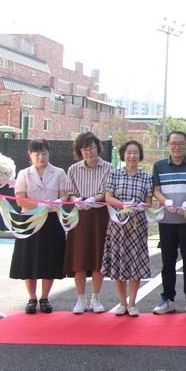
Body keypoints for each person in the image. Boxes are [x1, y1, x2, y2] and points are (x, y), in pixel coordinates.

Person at [9, 139, 67, 314]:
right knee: (29, 259)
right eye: (37, 154)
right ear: (30, 155)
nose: (41, 157)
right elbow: (20, 200)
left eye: (44, 153)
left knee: (49, 258)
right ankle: (32, 298)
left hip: (52, 220)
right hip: (30, 220)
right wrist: (42, 206)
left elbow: (64, 196)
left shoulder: (59, 172)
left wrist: (56, 203)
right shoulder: (24, 173)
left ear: (49, 153)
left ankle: (45, 297)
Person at [151, 130, 186, 315]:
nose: (177, 146)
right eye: (173, 143)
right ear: (168, 145)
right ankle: (168, 299)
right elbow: (156, 190)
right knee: (168, 261)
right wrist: (165, 201)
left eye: (181, 143)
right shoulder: (158, 166)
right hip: (167, 220)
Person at [101, 140, 154, 317]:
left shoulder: (146, 177)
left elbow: (148, 201)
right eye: (129, 152)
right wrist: (124, 205)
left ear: (140, 155)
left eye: (135, 153)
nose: (132, 156)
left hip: (137, 226)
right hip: (118, 224)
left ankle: (132, 304)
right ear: (123, 155)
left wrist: (140, 206)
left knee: (135, 263)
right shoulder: (114, 174)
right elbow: (108, 197)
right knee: (119, 262)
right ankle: (122, 303)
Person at [64, 132, 114, 314]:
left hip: (100, 215)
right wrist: (76, 199)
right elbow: (70, 192)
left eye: (92, 148)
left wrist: (94, 199)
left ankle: (95, 298)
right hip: (79, 217)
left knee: (97, 257)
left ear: (98, 148)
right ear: (80, 151)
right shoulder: (73, 169)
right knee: (79, 258)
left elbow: (107, 191)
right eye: (85, 149)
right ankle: (80, 299)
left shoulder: (108, 167)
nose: (89, 152)